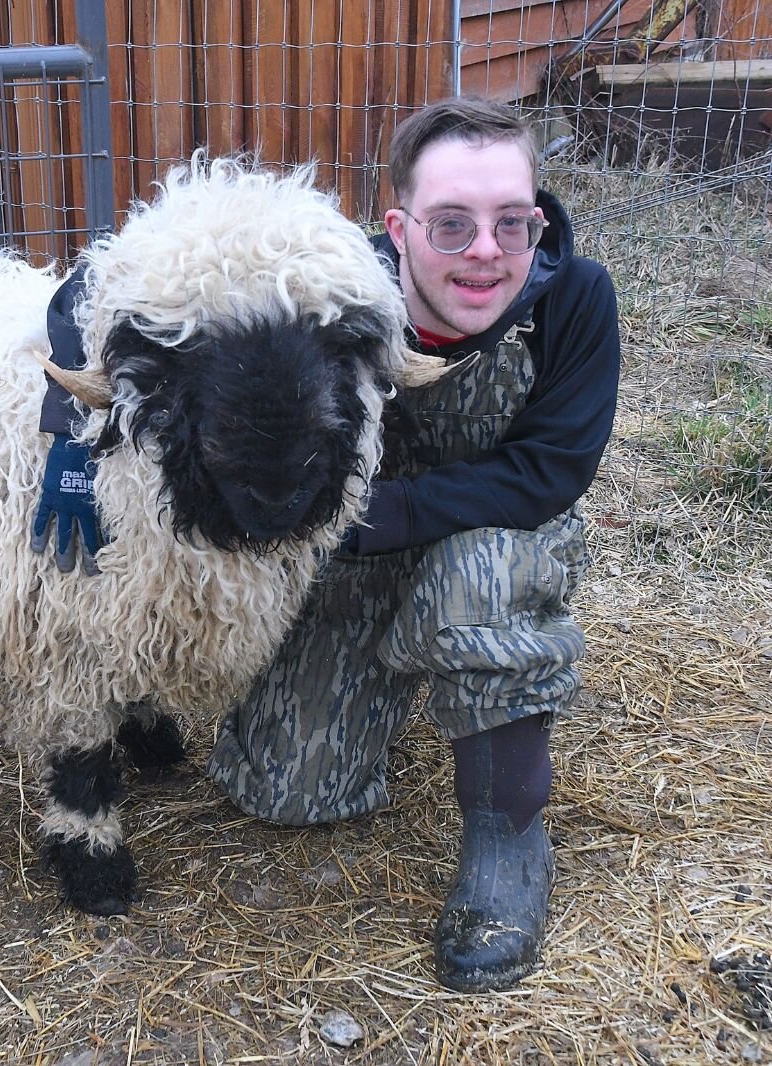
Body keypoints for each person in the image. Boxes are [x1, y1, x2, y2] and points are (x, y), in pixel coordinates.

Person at [30, 96, 620, 993]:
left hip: (472, 543)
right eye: (451, 224)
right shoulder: (333, 281)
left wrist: (347, 518)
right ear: (398, 226)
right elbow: (94, 290)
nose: (485, 250)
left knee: (483, 574)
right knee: (287, 795)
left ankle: (505, 843)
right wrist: (66, 429)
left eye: (512, 221)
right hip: (347, 565)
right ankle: (385, 680)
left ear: (537, 216)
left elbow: (551, 472)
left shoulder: (575, 299)